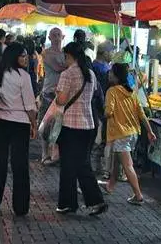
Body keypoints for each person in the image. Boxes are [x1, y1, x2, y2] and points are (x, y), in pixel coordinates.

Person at [55, 42, 107, 216]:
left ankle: (70, 203)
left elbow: (61, 100)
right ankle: (93, 201)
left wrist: (57, 94)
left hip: (70, 126)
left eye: (66, 57)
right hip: (88, 125)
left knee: (70, 165)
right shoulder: (90, 74)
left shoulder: (67, 74)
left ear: (69, 56)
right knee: (82, 163)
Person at [0, 43, 37, 215]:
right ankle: (20, 206)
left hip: (0, 121)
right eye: (22, 55)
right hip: (20, 123)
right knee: (20, 164)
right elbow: (30, 105)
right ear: (14, 56)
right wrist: (34, 124)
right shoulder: (24, 76)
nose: (25, 58)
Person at [103, 63, 156, 204]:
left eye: (110, 73)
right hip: (133, 133)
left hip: (121, 133)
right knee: (117, 160)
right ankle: (110, 185)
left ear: (115, 76)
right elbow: (142, 114)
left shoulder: (112, 92)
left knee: (127, 165)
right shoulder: (132, 92)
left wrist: (106, 112)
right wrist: (150, 131)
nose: (108, 75)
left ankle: (138, 196)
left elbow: (109, 112)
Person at [39, 28, 66, 165]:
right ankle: (45, 154)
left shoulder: (65, 54)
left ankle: (56, 154)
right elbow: (58, 68)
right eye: (53, 35)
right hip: (49, 92)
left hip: (63, 94)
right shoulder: (47, 53)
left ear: (63, 37)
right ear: (49, 38)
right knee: (46, 125)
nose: (56, 38)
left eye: (58, 35)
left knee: (60, 125)